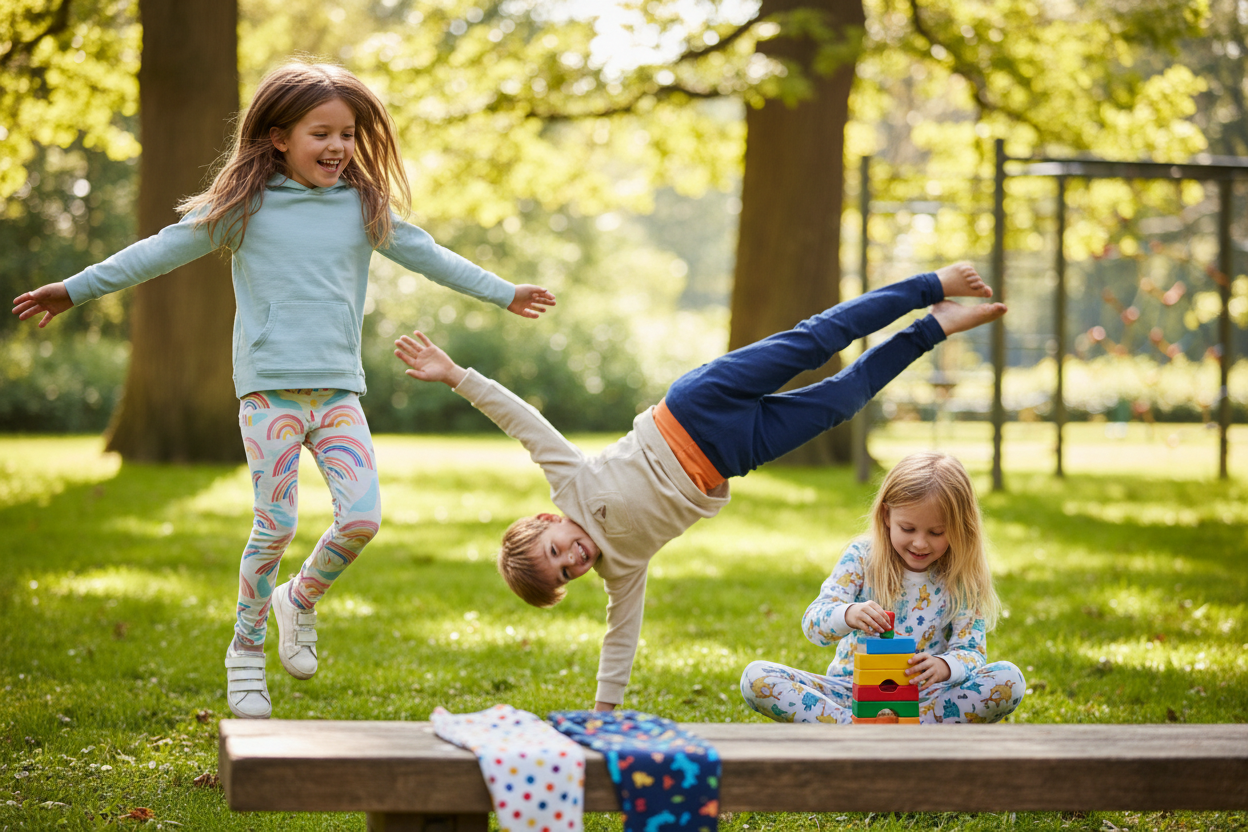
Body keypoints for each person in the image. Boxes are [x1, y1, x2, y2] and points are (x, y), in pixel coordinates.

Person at [10, 61, 556, 720]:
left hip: (337, 395)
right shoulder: (244, 210)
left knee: (362, 518)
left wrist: (504, 292)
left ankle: (297, 599)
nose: (338, 147)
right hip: (269, 393)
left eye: (347, 134)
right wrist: (73, 290)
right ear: (278, 136)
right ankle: (246, 648)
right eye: (321, 133)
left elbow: (429, 254)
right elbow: (156, 250)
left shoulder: (363, 209)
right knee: (276, 524)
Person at [394, 262, 1005, 711]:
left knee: (818, 339)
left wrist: (455, 375)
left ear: (548, 522)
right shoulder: (622, 569)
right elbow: (620, 639)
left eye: (557, 552)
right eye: (567, 574)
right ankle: (934, 328)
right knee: (842, 401)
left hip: (698, 406)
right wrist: (604, 713)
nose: (574, 559)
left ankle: (930, 285)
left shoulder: (571, 486)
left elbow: (522, 421)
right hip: (736, 453)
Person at [740, 451, 1026, 724]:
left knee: (1009, 679)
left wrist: (945, 666)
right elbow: (814, 625)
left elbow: (972, 651)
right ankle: (858, 726)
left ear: (960, 526)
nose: (920, 543)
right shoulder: (861, 558)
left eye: (936, 532)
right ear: (887, 515)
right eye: (908, 529)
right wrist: (848, 614)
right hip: (850, 692)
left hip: (925, 698)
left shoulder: (961, 575)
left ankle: (909, 725)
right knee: (756, 677)